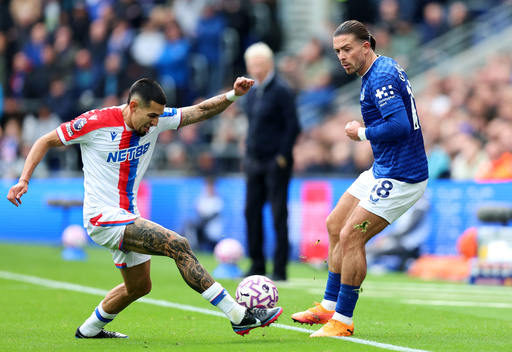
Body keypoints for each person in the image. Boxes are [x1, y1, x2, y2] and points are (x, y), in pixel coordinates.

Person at [6, 77, 282, 339]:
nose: (155, 123)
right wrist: (23, 180)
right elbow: (45, 140)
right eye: (151, 116)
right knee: (178, 244)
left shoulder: (156, 119)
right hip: (101, 216)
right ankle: (238, 316)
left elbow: (199, 111)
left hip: (128, 215)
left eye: (159, 117)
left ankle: (89, 330)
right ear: (133, 106)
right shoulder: (95, 122)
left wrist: (233, 94)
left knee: (139, 287)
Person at [291, 20, 428, 337]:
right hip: (384, 166)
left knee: (352, 235)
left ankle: (343, 319)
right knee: (335, 225)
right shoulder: (378, 70)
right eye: (337, 50)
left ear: (367, 46)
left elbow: (400, 125)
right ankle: (328, 306)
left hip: (402, 174)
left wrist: (361, 133)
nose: (341, 56)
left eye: (347, 49)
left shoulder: (380, 77)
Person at [241, 42, 301, 282]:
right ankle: (256, 263)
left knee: (278, 214)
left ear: (269, 64)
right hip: (254, 162)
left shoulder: (282, 90)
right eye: (251, 65)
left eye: (259, 64)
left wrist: (282, 156)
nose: (255, 69)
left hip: (276, 163)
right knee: (251, 212)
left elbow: (294, 126)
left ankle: (279, 268)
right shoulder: (252, 92)